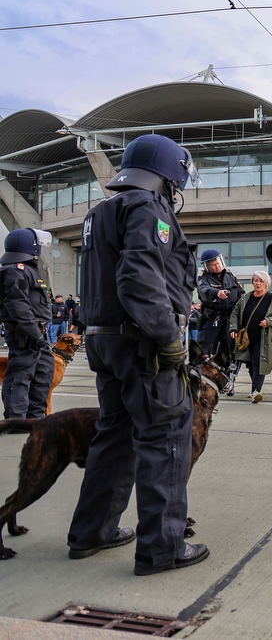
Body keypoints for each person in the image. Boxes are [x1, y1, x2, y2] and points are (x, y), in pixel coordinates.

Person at [67, 133, 208, 575]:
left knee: (114, 436)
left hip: (105, 340)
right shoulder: (149, 209)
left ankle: (92, 532)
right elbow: (139, 279)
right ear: (167, 176)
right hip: (142, 342)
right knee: (165, 437)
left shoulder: (100, 212)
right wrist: (169, 338)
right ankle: (161, 550)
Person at [0, 228, 54, 419]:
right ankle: (16, 419)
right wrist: (35, 334)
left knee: (43, 372)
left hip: (36, 332)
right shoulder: (16, 271)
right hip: (25, 333)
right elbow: (18, 306)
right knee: (21, 375)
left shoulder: (27, 270)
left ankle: (35, 417)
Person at [229, 271, 272, 403]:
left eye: (261, 281)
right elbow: (235, 313)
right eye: (256, 280)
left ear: (266, 283)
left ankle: (256, 390)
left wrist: (269, 321)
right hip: (246, 338)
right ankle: (255, 388)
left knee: (258, 362)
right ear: (252, 282)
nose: (258, 283)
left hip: (264, 338)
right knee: (249, 364)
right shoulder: (245, 298)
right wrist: (233, 328)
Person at [196, 248, 244, 394]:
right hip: (211, 319)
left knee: (229, 352)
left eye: (217, 263)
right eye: (212, 265)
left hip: (229, 320)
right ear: (207, 266)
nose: (216, 266)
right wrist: (217, 293)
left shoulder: (231, 276)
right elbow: (203, 291)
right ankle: (200, 381)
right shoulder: (203, 278)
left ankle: (228, 381)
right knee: (204, 350)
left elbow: (241, 294)